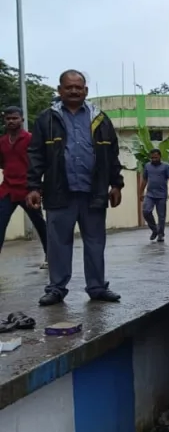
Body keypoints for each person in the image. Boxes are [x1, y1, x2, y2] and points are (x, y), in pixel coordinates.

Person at [27, 71, 123, 305]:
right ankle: (56, 289)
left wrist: (116, 183)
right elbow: (35, 154)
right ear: (60, 90)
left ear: (85, 91)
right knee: (58, 243)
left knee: (95, 242)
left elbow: (111, 153)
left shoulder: (100, 118)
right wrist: (33, 187)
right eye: (68, 87)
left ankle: (97, 287)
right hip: (59, 192)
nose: (73, 91)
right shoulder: (47, 119)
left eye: (78, 87)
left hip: (94, 192)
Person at [0, 106, 47, 262]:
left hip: (28, 190)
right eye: (8, 118)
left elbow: (39, 162)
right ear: (4, 121)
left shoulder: (30, 139)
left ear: (22, 119)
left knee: (39, 224)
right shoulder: (2, 141)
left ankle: (51, 256)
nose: (11, 121)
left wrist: (37, 188)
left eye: (15, 118)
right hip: (7, 189)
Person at [140, 149, 169, 242]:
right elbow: (144, 179)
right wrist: (140, 192)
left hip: (161, 195)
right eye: (152, 158)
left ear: (160, 156)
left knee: (161, 216)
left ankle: (160, 234)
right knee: (146, 211)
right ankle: (154, 230)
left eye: (156, 157)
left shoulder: (166, 166)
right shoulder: (147, 166)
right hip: (150, 194)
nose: (154, 159)